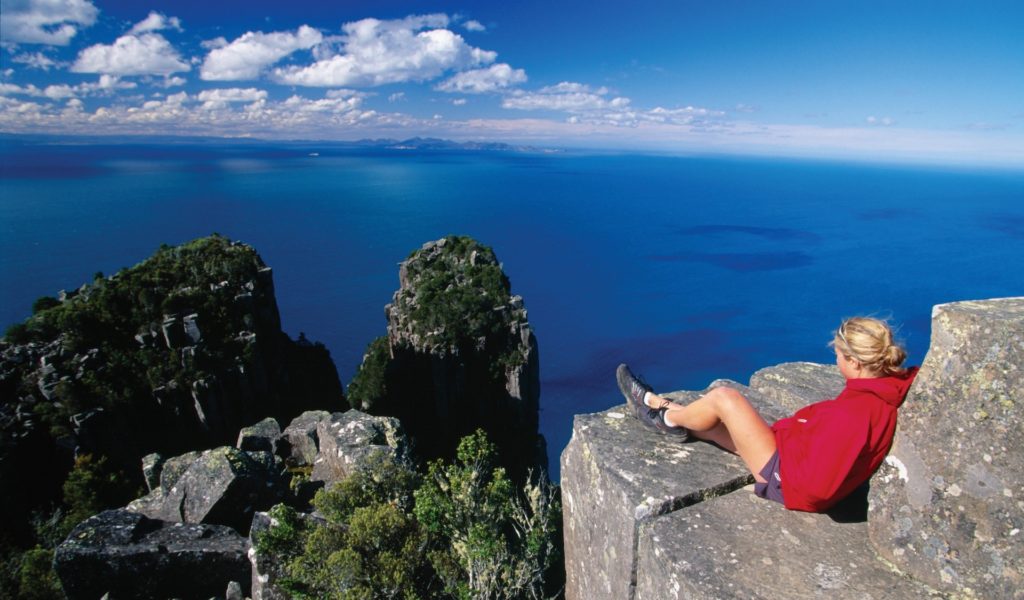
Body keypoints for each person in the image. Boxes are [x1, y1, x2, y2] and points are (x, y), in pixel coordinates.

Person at [616, 317, 918, 512]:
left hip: (786, 477)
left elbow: (818, 490)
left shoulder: (854, 414)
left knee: (725, 397)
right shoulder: (886, 388)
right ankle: (670, 410)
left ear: (853, 362)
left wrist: (784, 470)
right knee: (713, 422)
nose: (835, 360)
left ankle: (662, 416)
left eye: (838, 355)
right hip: (789, 451)